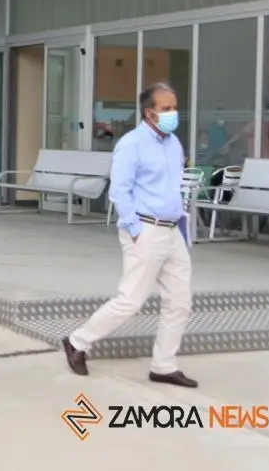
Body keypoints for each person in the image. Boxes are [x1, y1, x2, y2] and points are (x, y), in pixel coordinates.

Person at [62, 82, 197, 388]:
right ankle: (77, 341)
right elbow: (120, 190)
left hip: (173, 230)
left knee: (180, 301)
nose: (173, 113)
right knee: (131, 300)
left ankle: (164, 365)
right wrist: (134, 229)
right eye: (166, 109)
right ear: (149, 113)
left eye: (175, 107)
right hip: (146, 229)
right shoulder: (132, 144)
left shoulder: (174, 143)